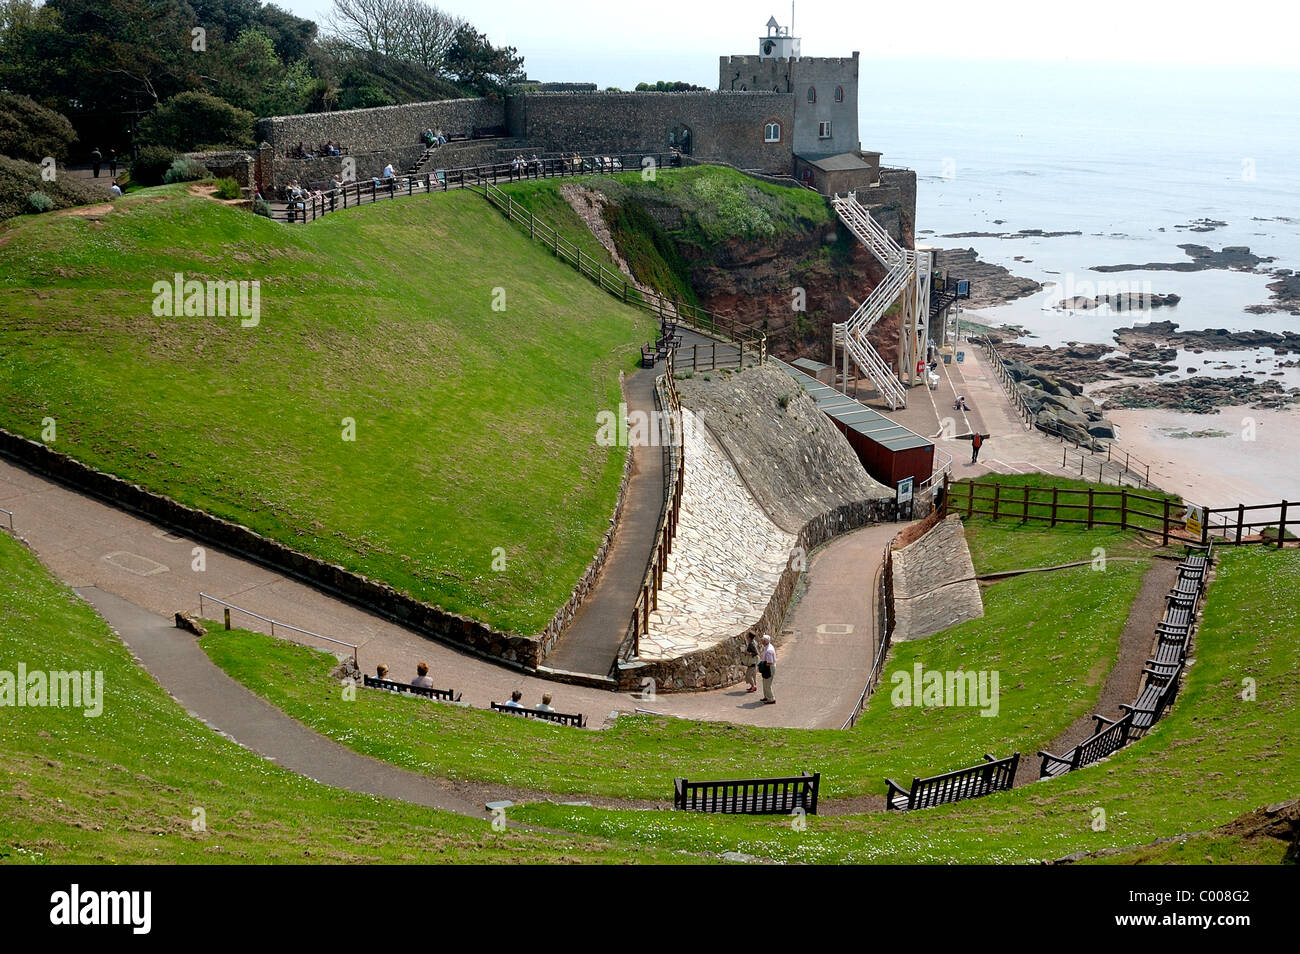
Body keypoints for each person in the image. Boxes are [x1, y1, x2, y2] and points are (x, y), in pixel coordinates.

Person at [759, 635, 776, 704]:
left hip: (769, 668)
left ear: (765, 642)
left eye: (762, 640)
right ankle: (766, 697)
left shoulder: (769, 650)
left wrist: (762, 665)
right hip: (768, 668)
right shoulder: (767, 646)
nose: (761, 641)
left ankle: (771, 699)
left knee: (767, 684)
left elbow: (769, 662)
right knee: (765, 683)